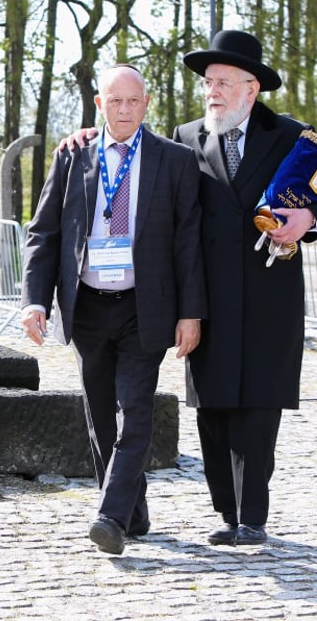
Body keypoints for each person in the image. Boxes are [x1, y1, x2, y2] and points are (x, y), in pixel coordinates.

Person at [62, 30, 317, 547]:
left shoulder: (290, 136)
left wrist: (308, 217)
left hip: (269, 295)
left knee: (258, 406)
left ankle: (253, 516)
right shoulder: (186, 136)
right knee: (213, 405)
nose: (212, 92)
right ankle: (225, 512)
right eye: (208, 83)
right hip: (206, 296)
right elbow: (136, 161)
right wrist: (87, 136)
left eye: (223, 82)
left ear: (250, 88)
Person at [21, 64, 207, 556]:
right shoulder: (72, 156)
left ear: (147, 104)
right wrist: (35, 300)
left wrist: (191, 313)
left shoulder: (176, 161)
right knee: (100, 414)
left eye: (133, 101)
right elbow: (44, 233)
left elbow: (188, 244)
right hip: (86, 307)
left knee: (135, 411)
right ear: (99, 105)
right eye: (114, 101)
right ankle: (132, 511)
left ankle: (109, 516)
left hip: (144, 307)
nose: (124, 110)